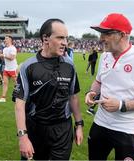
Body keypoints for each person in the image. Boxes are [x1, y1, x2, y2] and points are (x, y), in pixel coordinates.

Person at [85, 13, 134, 160]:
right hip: (100, 123)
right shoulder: (105, 56)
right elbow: (99, 81)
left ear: (122, 35)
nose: (101, 38)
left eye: (106, 33)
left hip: (128, 130)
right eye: (101, 33)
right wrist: (92, 92)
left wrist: (121, 105)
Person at [13, 18, 83, 160]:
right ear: (45, 38)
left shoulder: (69, 65)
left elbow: (73, 97)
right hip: (36, 128)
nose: (65, 42)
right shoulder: (28, 66)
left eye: (66, 38)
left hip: (62, 129)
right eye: (60, 37)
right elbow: (19, 104)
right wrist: (23, 137)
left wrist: (79, 124)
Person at [0, 35, 18, 103]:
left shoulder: (13, 48)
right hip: (6, 68)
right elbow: (3, 59)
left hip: (13, 69)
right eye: (5, 39)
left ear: (10, 40)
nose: (5, 40)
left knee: (17, 84)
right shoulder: (4, 49)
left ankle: (20, 97)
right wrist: (0, 54)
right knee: (5, 83)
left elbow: (12, 58)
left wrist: (3, 55)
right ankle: (3, 98)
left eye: (6, 39)